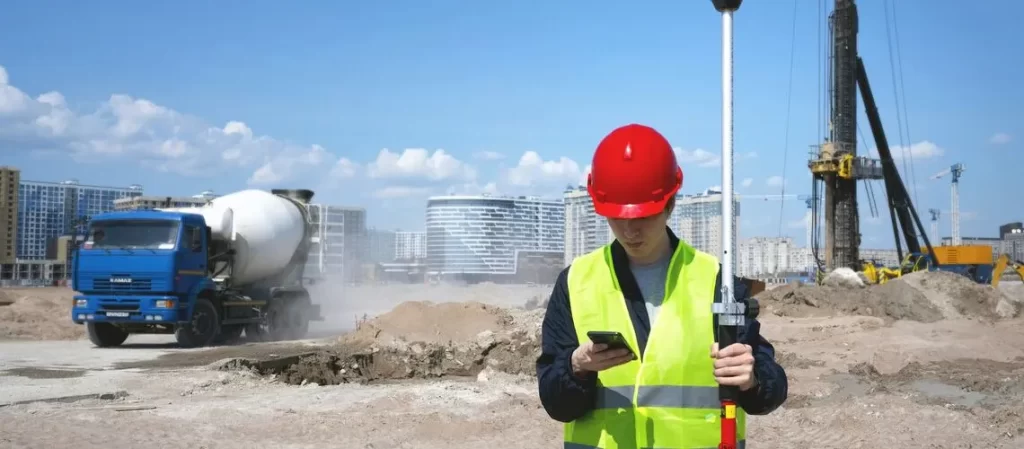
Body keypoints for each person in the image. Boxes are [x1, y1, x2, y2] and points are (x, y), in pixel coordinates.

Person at [536, 124, 788, 449]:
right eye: (618, 218)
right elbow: (556, 403)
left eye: (644, 217)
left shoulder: (716, 281)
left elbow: (770, 390)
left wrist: (752, 379)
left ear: (670, 203)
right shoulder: (575, 282)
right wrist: (576, 367)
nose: (630, 231)